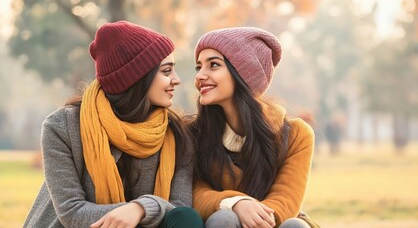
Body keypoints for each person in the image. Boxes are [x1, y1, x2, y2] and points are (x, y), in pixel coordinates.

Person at [24, 21, 203, 228]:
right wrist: (131, 212)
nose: (177, 79)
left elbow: (179, 209)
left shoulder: (178, 135)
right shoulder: (62, 126)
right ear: (136, 77)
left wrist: (141, 208)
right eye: (166, 71)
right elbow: (72, 212)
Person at [190, 27, 315, 228]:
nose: (199, 76)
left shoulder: (295, 134)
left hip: (273, 223)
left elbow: (286, 200)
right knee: (225, 218)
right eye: (198, 67)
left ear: (243, 73)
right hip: (222, 221)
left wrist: (254, 214)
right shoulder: (194, 133)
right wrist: (236, 203)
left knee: (296, 226)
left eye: (213, 65)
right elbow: (195, 193)